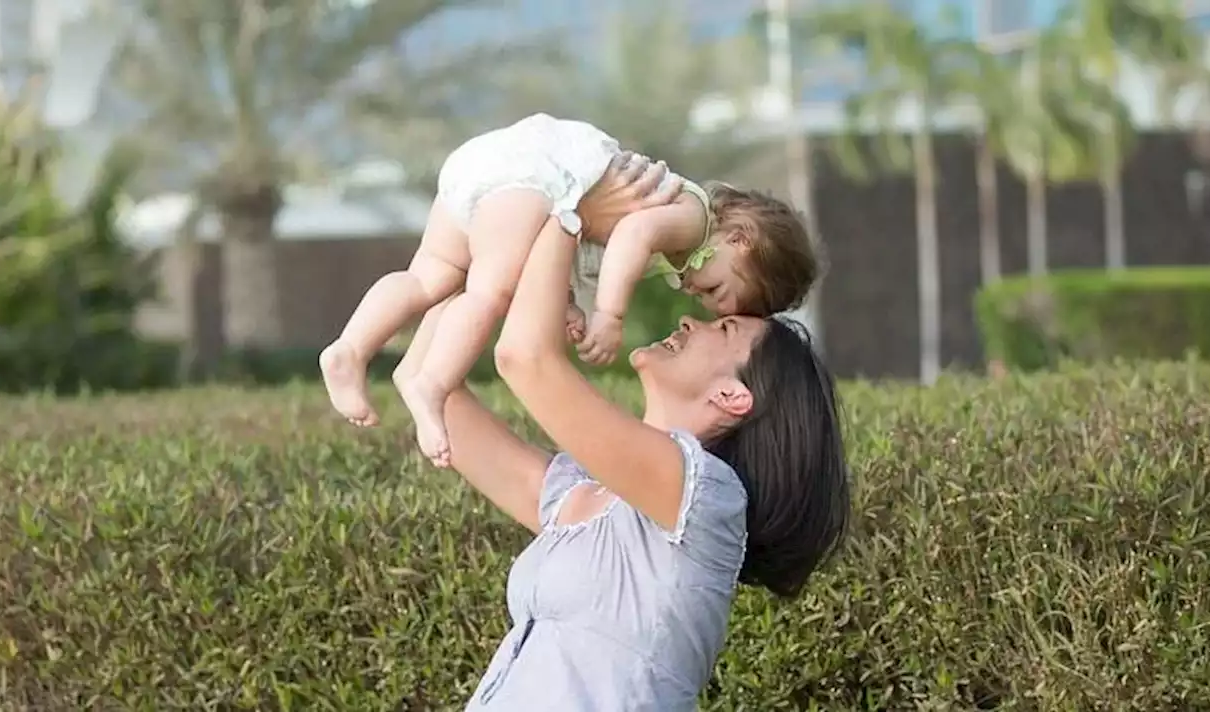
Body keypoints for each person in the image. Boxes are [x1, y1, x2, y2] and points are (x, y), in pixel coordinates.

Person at [392, 156, 850, 710]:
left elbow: (525, 359)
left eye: (722, 326)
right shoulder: (584, 496)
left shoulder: (706, 497)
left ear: (733, 395)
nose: (689, 320)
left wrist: (571, 206)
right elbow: (428, 388)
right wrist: (490, 257)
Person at [319, 113, 819, 468]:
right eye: (721, 294)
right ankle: (431, 383)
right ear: (740, 239)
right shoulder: (695, 220)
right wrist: (608, 315)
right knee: (490, 291)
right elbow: (627, 233)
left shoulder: (679, 239)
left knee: (431, 276)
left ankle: (350, 348)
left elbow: (575, 240)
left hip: (492, 167)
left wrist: (567, 302)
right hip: (535, 177)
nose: (703, 302)